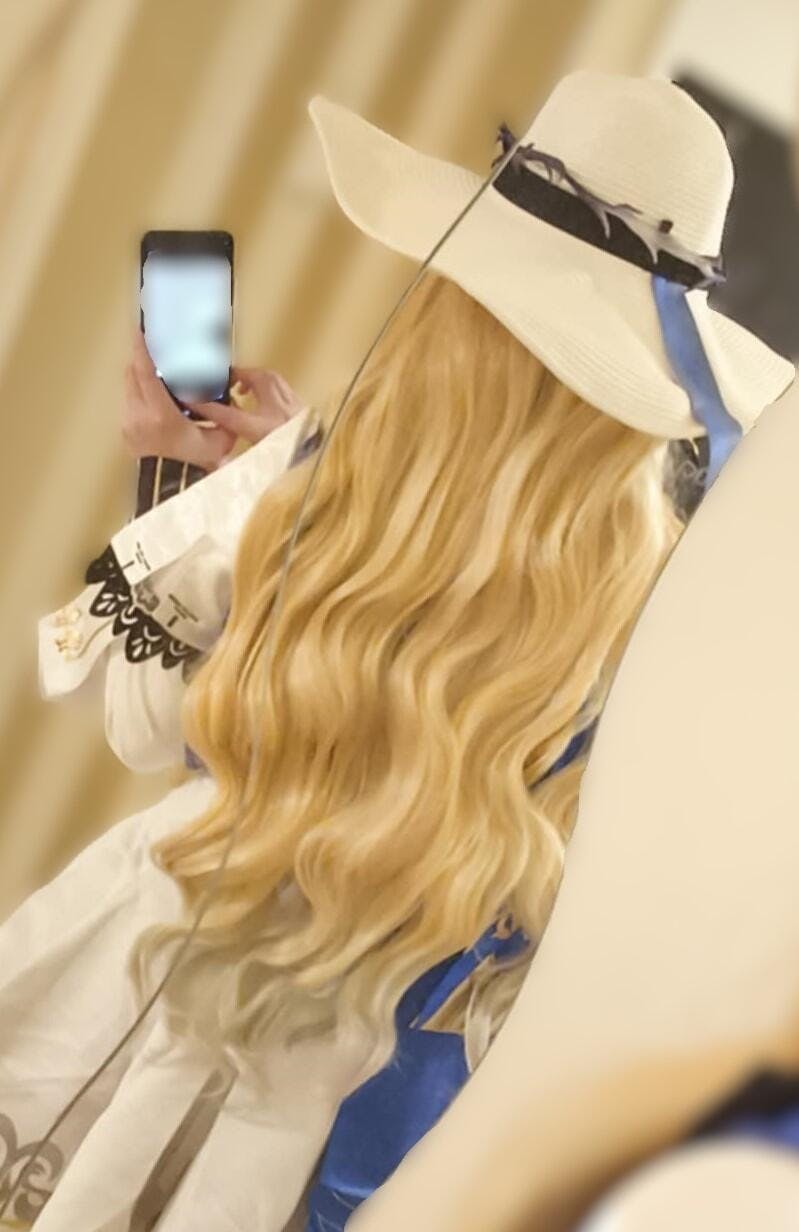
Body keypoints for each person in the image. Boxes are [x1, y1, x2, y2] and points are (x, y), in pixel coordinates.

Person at [0, 70, 792, 1232]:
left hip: (135, 964)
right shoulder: (650, 613)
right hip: (341, 1095)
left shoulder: (321, 483)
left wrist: (198, 484)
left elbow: (140, 718)